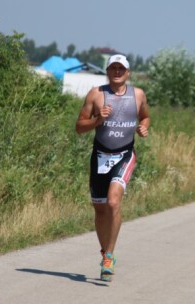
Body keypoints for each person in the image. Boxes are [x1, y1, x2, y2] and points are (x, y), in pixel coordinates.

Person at [75, 54, 150, 282]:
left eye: (121, 69)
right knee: (99, 210)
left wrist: (143, 127)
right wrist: (97, 120)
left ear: (128, 72)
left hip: (125, 155)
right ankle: (105, 252)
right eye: (113, 68)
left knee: (113, 201)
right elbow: (79, 126)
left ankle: (109, 255)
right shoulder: (96, 94)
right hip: (100, 156)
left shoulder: (137, 95)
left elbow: (146, 117)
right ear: (108, 71)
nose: (117, 72)